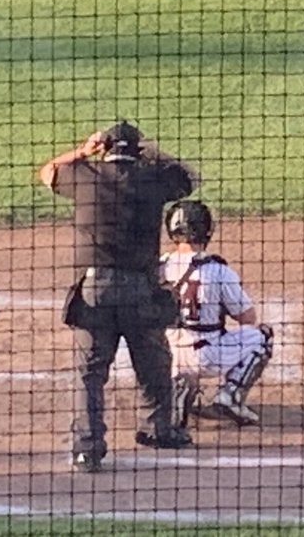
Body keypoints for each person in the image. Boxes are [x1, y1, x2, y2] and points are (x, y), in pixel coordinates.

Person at [38, 120, 198, 472]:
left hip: (94, 293)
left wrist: (83, 150)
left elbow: (48, 170)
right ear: (136, 150)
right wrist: (152, 153)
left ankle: (87, 449)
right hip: (141, 291)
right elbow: (189, 178)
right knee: (154, 363)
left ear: (105, 148)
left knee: (89, 373)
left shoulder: (84, 176)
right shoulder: (153, 179)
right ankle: (158, 429)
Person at [159, 200, 274, 429]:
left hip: (163, 357)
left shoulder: (157, 266)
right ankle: (230, 396)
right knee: (262, 336)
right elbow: (247, 318)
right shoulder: (218, 270)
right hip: (206, 356)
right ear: (207, 230)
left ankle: (172, 391)